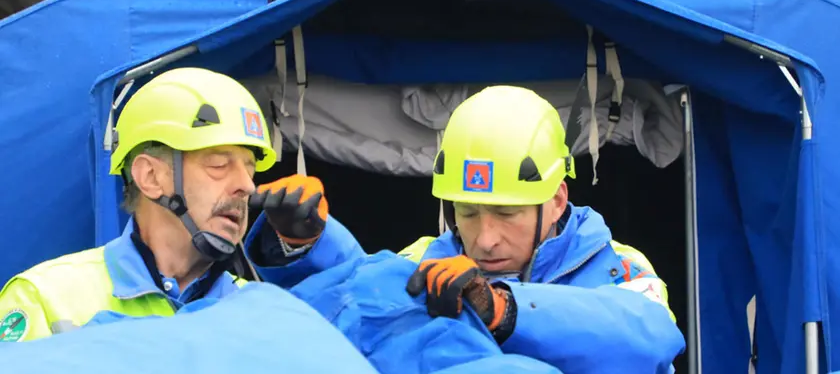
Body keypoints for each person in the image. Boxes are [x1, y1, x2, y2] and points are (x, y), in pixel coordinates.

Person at [245, 85, 686, 373]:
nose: (484, 238)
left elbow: (652, 340)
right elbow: (363, 297)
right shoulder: (425, 258)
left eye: (505, 212)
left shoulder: (618, 267)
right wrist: (306, 245)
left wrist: (507, 310)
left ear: (556, 201)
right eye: (468, 212)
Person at [0, 67, 281, 341]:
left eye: (250, 170)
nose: (247, 186)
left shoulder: (262, 313)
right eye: (219, 164)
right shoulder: (45, 299)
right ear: (150, 177)